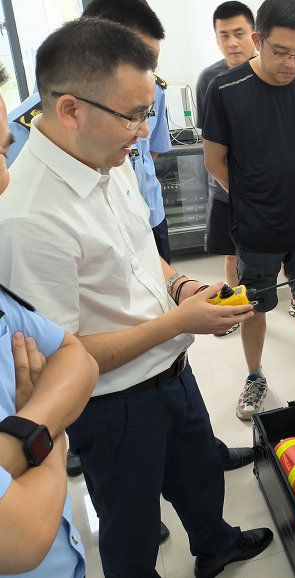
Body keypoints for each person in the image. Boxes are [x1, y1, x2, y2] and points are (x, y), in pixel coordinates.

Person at [0, 19, 273, 578]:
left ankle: (216, 545)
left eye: (147, 111)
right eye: (133, 115)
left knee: (199, 473)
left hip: (171, 371)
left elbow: (142, 252)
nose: (144, 130)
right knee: (131, 526)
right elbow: (63, 358)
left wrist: (181, 288)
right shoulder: (29, 217)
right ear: (71, 109)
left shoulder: (110, 155)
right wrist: (180, 322)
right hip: (114, 405)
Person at [203, 0, 295, 420]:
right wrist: (253, 198)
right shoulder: (226, 89)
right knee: (254, 308)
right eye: (281, 51)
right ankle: (255, 378)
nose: (291, 63)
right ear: (258, 40)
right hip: (256, 229)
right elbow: (214, 160)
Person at [0, 63, 98, 577]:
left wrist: (19, 437)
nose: (4, 178)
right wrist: (46, 437)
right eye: (131, 115)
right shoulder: (29, 212)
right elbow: (21, 537)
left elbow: (74, 357)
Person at [83, 0, 174, 264]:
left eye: (152, 67)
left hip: (148, 209)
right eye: (138, 64)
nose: (142, 130)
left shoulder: (155, 89)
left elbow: (151, 148)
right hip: (96, 225)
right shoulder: (47, 104)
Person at [196, 1, 257, 338]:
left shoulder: (273, 72)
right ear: (216, 38)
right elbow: (211, 144)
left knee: (283, 252)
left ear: (255, 35)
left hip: (268, 191)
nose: (232, 42)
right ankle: (235, 310)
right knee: (232, 255)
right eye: (224, 35)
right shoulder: (209, 79)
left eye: (239, 33)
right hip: (226, 188)